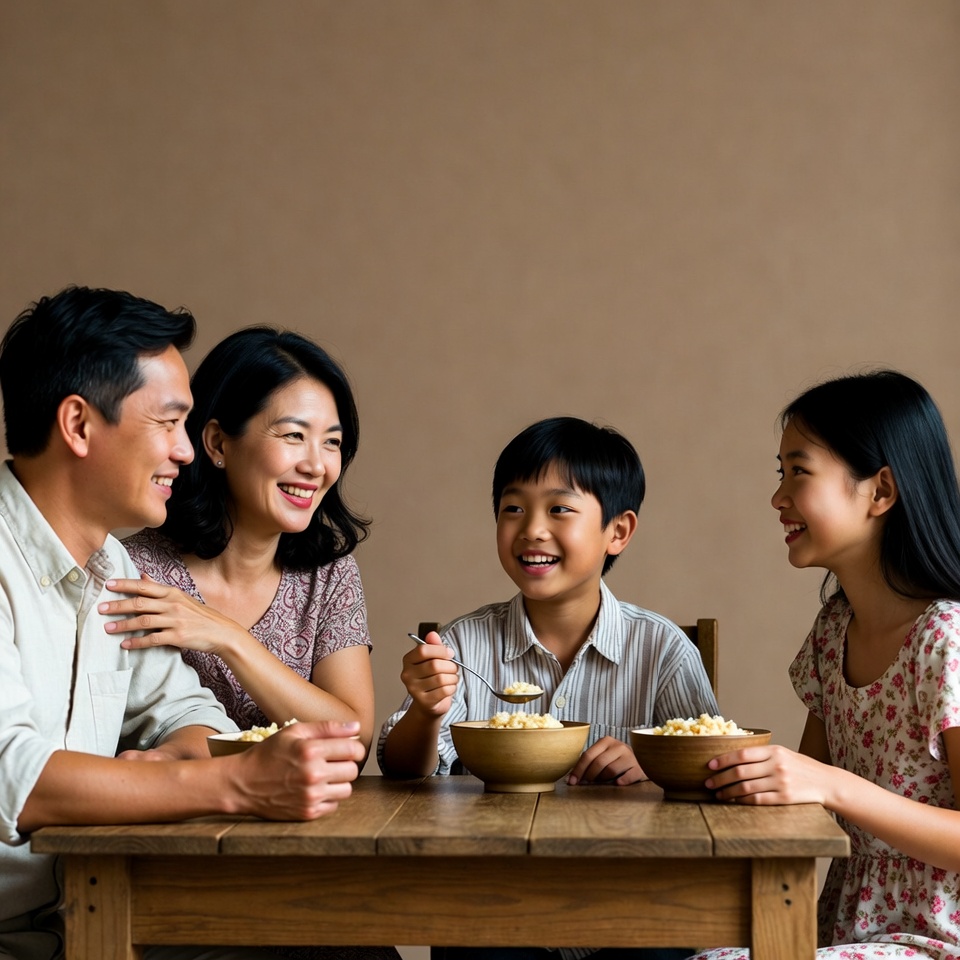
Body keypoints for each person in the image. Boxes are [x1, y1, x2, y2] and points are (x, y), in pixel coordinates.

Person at [0, 286, 363, 960]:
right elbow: (13, 774)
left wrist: (171, 758)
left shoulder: (109, 566)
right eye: (168, 423)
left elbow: (191, 710)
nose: (187, 451)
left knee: (341, 946)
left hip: (93, 915)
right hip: (25, 934)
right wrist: (234, 784)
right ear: (78, 425)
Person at [378, 416, 719, 960]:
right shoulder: (464, 644)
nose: (532, 528)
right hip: (495, 904)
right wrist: (426, 711)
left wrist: (652, 767)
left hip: (632, 908)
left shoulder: (662, 650)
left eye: (560, 509)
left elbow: (714, 780)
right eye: (513, 508)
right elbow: (401, 774)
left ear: (618, 531)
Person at [698, 370, 960, 960]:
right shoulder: (834, 631)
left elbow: (823, 784)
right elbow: (800, 798)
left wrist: (835, 785)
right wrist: (677, 775)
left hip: (936, 940)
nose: (778, 498)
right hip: (844, 930)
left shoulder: (947, 639)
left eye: (799, 471)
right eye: (780, 473)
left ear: (880, 491)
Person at [111, 327, 378, 760]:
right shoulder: (135, 571)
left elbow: (352, 738)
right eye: (293, 435)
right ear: (218, 443)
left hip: (306, 818)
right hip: (171, 816)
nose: (316, 465)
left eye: (332, 442)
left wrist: (228, 638)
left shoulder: (329, 573)